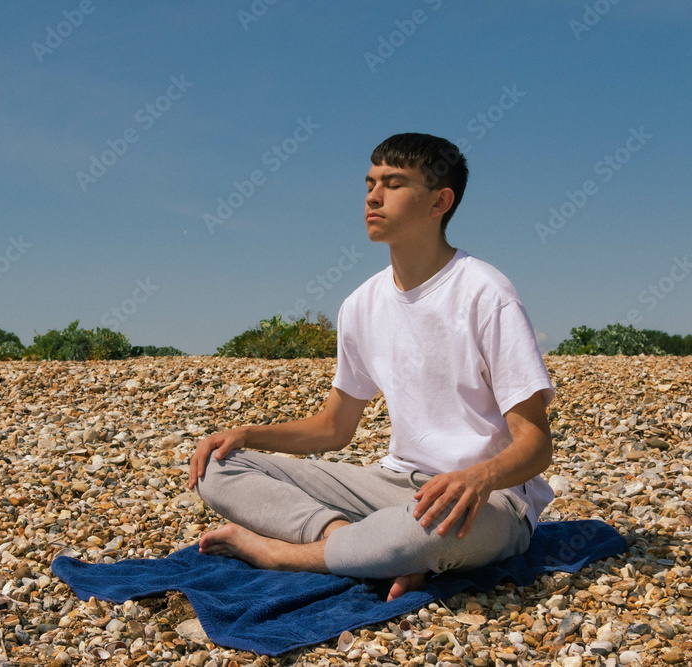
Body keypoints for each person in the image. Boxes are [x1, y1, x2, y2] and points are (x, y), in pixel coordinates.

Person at [187, 133, 555, 601]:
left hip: (487, 500)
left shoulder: (486, 294)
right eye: (369, 184)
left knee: (423, 534)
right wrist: (246, 434)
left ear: (440, 201)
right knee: (218, 470)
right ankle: (353, 543)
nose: (373, 197)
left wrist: (479, 476)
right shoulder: (361, 304)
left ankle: (281, 552)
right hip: (393, 484)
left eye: (394, 184)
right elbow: (334, 427)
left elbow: (536, 444)